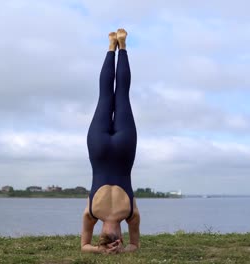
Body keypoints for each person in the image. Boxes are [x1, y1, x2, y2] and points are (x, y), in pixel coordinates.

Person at [81, 28, 140, 254]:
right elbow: (84, 246)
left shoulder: (131, 215)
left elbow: (135, 245)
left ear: (120, 237)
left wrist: (121, 251)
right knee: (106, 95)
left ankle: (121, 46)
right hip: (99, 148)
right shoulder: (91, 213)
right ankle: (111, 47)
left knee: (121, 95)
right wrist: (99, 249)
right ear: (100, 235)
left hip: (124, 149)